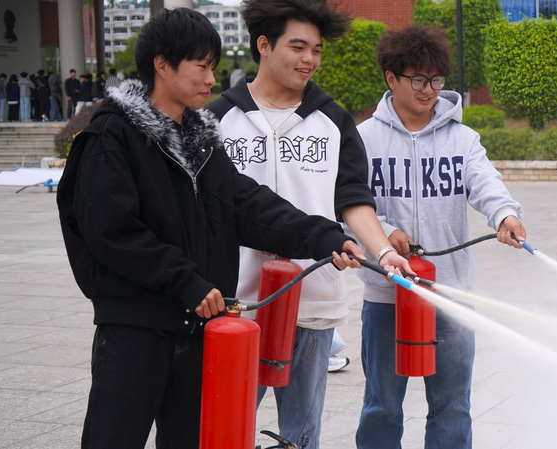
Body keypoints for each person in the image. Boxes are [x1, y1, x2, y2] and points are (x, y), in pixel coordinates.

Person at [56, 8, 365, 449]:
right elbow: (112, 233)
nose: (210, 79)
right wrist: (186, 281)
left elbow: (250, 207)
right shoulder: (111, 137)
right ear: (162, 64)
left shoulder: (201, 142)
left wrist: (325, 237)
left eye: (213, 67)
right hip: (135, 331)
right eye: (201, 66)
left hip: (198, 330)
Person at [206, 1, 414, 448]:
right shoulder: (218, 119)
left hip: (313, 298)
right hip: (238, 306)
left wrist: (383, 251)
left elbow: (353, 201)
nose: (310, 59)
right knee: (225, 430)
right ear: (264, 45)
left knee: (300, 436)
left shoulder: (333, 121)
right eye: (298, 47)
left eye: (316, 50)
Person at [354, 25, 528, 449]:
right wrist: (386, 233)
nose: (429, 90)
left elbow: (485, 182)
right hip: (386, 296)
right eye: (417, 79)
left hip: (451, 294)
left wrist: (505, 214)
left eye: (435, 80)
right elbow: (350, 208)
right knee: (381, 406)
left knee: (452, 406)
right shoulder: (363, 139)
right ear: (391, 78)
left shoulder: (463, 139)